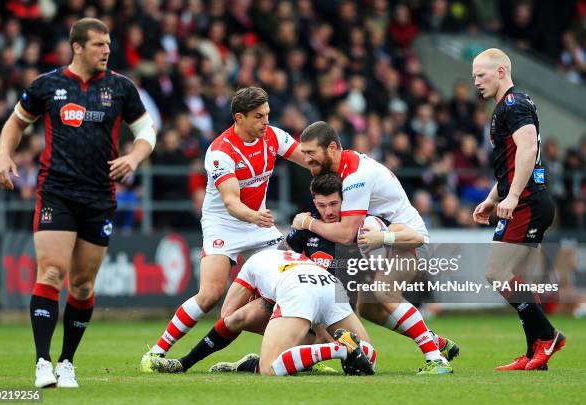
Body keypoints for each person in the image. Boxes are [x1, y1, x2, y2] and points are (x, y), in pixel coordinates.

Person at [0, 18, 156, 388]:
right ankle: (41, 362)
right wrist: (4, 155)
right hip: (57, 192)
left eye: (109, 45)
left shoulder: (120, 87)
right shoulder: (48, 86)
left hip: (100, 196)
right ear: (78, 47)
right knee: (50, 272)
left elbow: (147, 131)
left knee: (82, 285)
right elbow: (15, 124)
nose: (107, 51)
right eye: (99, 45)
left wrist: (134, 158)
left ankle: (67, 361)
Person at [140, 87, 307, 369]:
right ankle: (156, 352)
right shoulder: (220, 152)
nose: (266, 121)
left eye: (267, 114)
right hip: (225, 225)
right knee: (210, 294)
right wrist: (255, 217)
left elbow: (308, 158)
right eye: (259, 116)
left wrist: (341, 165)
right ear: (239, 118)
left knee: (290, 285)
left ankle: (300, 355)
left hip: (259, 225)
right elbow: (231, 202)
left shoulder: (273, 136)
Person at [291, 122, 453, 374]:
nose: (306, 158)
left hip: (406, 239)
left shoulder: (356, 177)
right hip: (386, 240)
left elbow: (346, 234)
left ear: (332, 148)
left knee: (384, 290)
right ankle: (434, 341)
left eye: (311, 152)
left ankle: (436, 361)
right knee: (368, 307)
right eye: (304, 153)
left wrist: (308, 223)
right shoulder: (345, 168)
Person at [471, 48, 565, 370]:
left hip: (527, 202)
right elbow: (511, 164)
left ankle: (549, 336)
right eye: (473, 77)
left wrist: (511, 197)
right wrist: (492, 198)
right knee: (516, 278)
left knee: (496, 273)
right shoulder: (504, 107)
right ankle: (534, 354)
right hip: (526, 200)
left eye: (480, 75)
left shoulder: (514, 104)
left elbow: (527, 150)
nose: (476, 82)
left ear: (500, 72)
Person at [211, 249, 376, 376]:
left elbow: (227, 313)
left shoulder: (252, 263)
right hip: (331, 284)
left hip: (298, 289)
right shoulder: (294, 256)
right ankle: (344, 347)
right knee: (366, 355)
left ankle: (339, 349)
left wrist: (263, 304)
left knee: (269, 367)